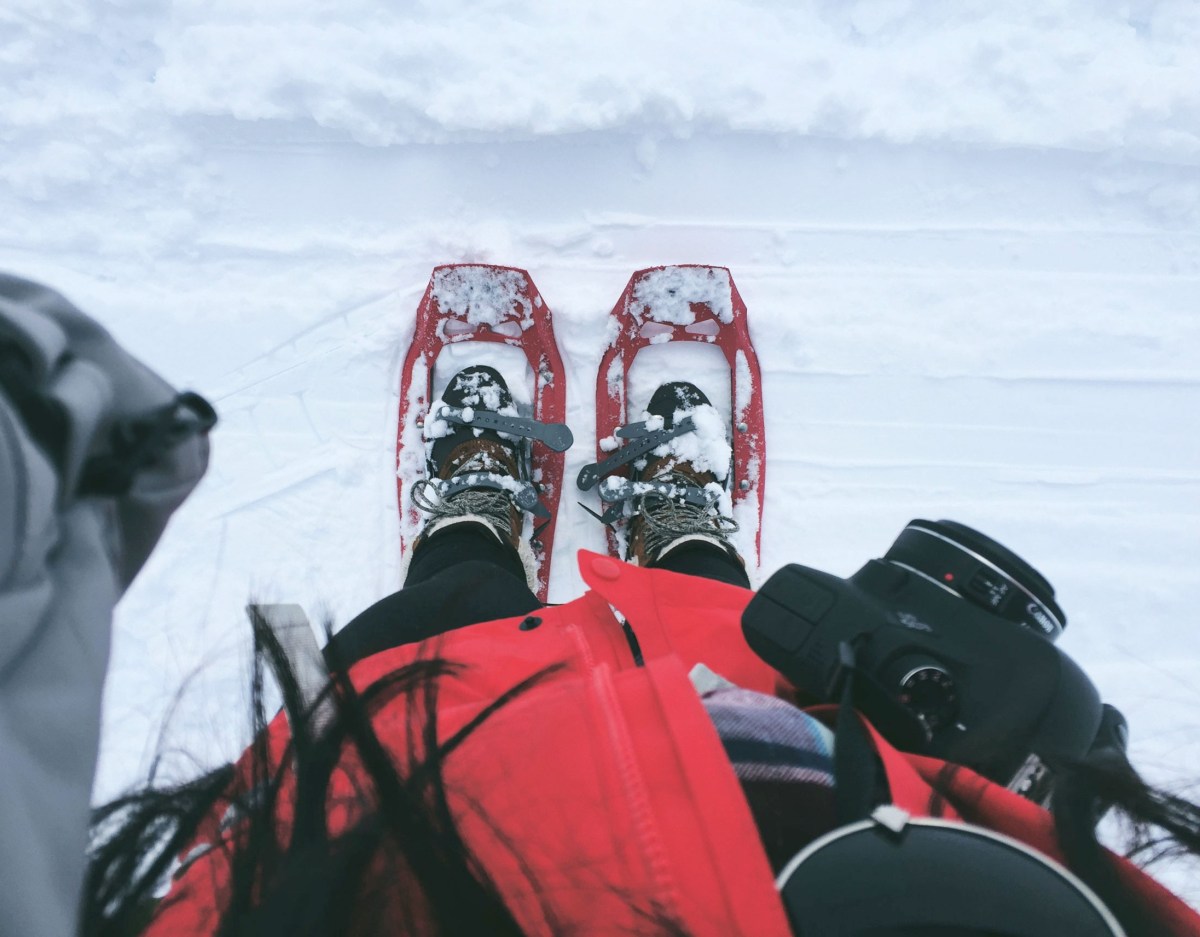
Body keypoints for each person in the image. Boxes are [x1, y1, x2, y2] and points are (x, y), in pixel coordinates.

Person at [3, 275, 1199, 937]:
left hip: (390, 836)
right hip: (806, 814)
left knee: (446, 637)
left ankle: (473, 528)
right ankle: (677, 537)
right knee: (723, 642)